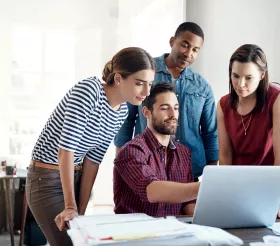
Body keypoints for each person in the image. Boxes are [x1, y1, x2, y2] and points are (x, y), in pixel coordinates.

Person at [26, 47, 155, 246]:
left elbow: (93, 161)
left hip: (75, 176)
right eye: (139, 83)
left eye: (149, 84)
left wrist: (80, 212)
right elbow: (65, 151)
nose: (146, 92)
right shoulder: (90, 91)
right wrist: (70, 206)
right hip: (47, 178)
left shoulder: (121, 112)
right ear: (119, 78)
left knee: (80, 238)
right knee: (66, 243)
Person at [114, 22, 218, 181]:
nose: (189, 53)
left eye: (195, 50)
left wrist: (212, 177)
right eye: (185, 45)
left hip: (189, 171)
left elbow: (210, 133)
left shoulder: (202, 87)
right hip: (147, 168)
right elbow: (126, 120)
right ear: (172, 41)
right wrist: (121, 166)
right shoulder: (147, 72)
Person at [217, 44, 280, 219]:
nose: (240, 84)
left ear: (262, 75)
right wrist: (225, 196)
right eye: (235, 76)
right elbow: (225, 156)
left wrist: (277, 200)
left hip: (276, 180)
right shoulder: (223, 104)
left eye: (248, 78)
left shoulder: (278, 98)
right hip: (243, 180)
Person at [114, 82, 199, 216]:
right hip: (136, 233)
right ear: (146, 112)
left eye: (176, 108)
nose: (173, 114)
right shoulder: (132, 151)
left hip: (174, 232)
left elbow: (188, 205)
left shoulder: (183, 153)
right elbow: (152, 191)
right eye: (165, 108)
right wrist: (208, 187)